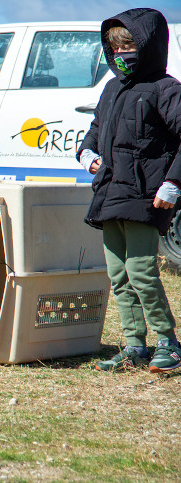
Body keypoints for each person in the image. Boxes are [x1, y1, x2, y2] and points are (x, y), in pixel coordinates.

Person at [77, 8, 181, 372]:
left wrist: (173, 184)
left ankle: (168, 343)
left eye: (129, 45)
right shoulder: (111, 88)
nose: (121, 55)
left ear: (149, 46)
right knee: (118, 276)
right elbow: (96, 127)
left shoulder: (167, 90)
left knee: (141, 273)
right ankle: (135, 346)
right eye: (115, 47)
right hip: (110, 194)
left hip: (146, 195)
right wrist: (86, 151)